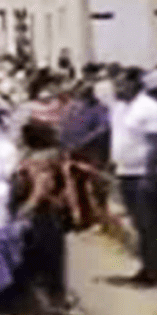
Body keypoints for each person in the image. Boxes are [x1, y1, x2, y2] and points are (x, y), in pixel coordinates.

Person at [109, 68, 157, 286]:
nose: (117, 89)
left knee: (150, 224)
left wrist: (151, 174)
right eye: (116, 84)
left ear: (136, 84)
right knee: (139, 224)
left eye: (122, 84)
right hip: (125, 172)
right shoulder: (119, 108)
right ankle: (147, 266)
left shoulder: (150, 108)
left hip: (144, 174)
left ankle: (154, 269)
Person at [10, 122, 73, 315]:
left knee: (35, 264)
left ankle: (42, 312)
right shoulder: (56, 157)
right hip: (54, 215)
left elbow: (41, 187)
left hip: (40, 217)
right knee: (54, 264)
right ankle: (57, 307)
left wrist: (26, 209)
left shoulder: (36, 161)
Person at [57, 84, 110, 230]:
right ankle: (87, 218)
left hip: (92, 153)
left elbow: (103, 128)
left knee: (96, 186)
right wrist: (64, 146)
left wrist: (84, 141)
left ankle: (103, 219)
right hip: (73, 152)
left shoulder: (99, 108)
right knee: (77, 187)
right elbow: (63, 126)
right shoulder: (71, 107)